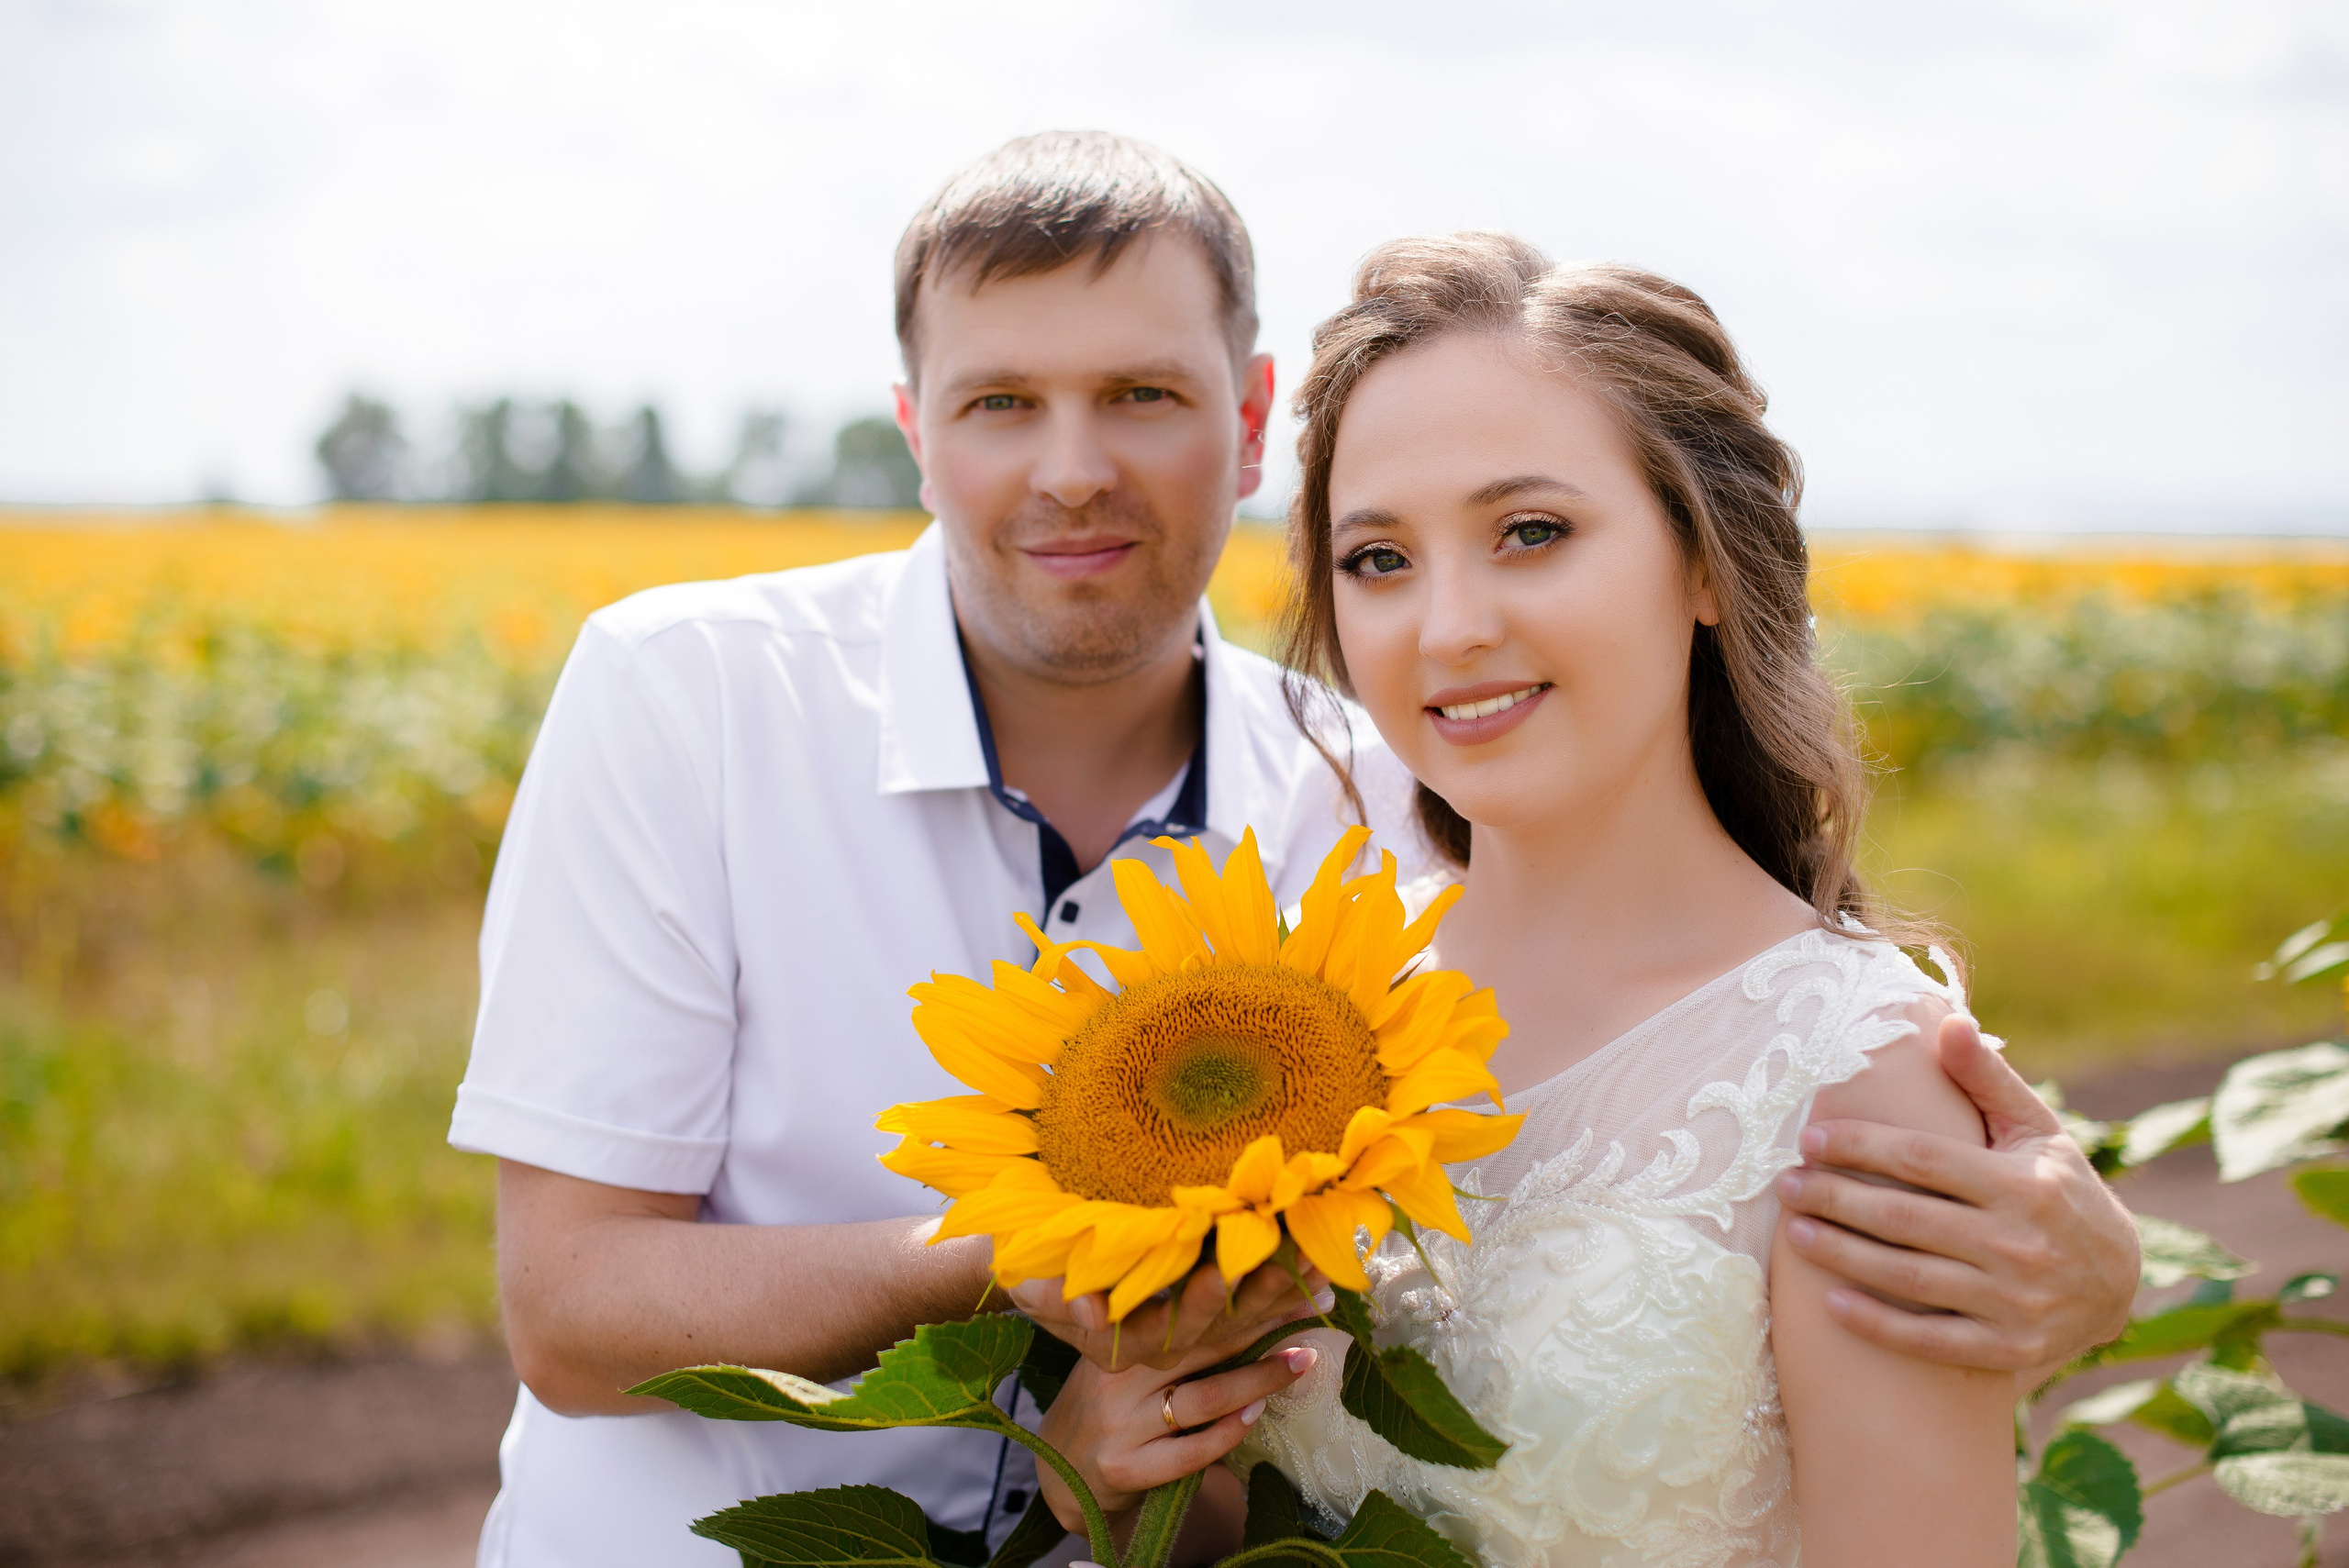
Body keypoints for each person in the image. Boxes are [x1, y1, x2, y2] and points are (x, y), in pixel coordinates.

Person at [448, 137, 2138, 1567]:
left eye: (1142, 394)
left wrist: (2093, 1268)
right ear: (914, 427)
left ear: (1246, 422)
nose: (1071, 468)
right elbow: (574, 1305)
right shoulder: (697, 699)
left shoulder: (1353, 819)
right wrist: (1059, 1312)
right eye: (1381, 561)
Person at [1028, 237, 2090, 1566]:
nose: (1450, 624)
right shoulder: (1309, 1006)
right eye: (1378, 559)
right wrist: (1119, 1480)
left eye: (1531, 532)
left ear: (1706, 564)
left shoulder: (1857, 1073)